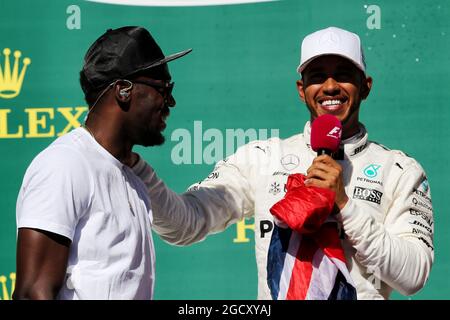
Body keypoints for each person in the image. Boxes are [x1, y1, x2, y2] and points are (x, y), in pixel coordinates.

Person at [132, 26, 434, 299]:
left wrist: (344, 204)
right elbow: (184, 224)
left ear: (365, 86)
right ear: (302, 90)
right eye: (317, 77)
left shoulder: (399, 171)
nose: (330, 87)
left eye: (343, 74)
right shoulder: (262, 158)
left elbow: (413, 276)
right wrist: (135, 166)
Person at [13, 26, 191, 299]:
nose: (171, 101)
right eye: (163, 88)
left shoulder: (133, 177)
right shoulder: (66, 164)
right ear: (123, 90)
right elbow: (32, 292)